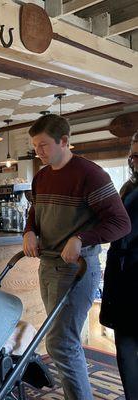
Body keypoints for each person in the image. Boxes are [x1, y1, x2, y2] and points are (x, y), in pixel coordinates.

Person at [23, 114, 130, 400]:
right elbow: (34, 212)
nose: (38, 151)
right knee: (63, 341)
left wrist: (81, 238)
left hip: (77, 270)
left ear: (65, 141)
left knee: (61, 343)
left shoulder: (91, 175)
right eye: (35, 145)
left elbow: (121, 223)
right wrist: (28, 231)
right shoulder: (41, 176)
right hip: (47, 267)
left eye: (43, 145)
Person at [100, 131, 138, 400]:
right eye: (133, 155)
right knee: (125, 347)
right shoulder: (129, 188)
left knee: (128, 346)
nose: (135, 161)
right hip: (125, 278)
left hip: (134, 276)